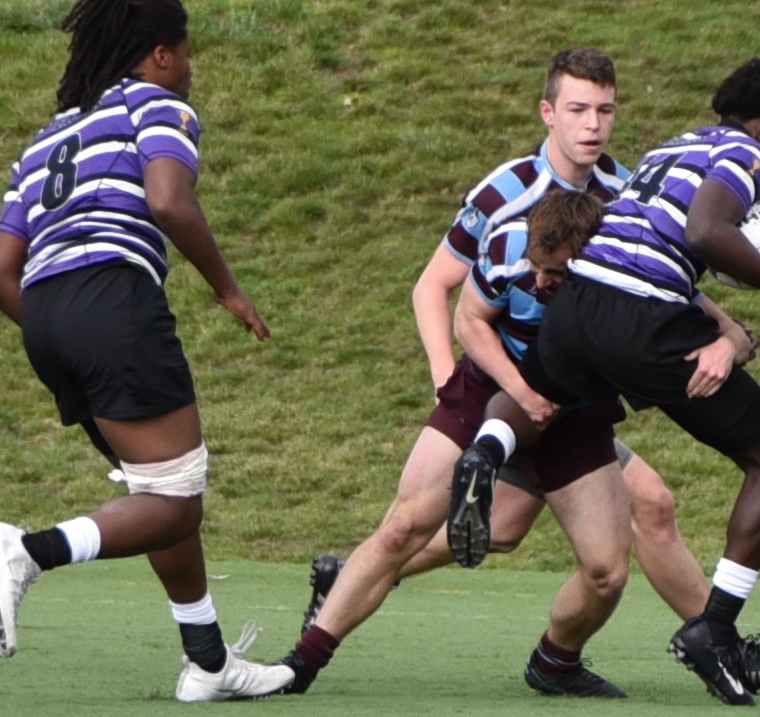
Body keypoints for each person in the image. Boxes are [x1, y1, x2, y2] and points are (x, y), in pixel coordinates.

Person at [300, 45, 719, 645]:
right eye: (578, 109)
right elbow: (433, 287)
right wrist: (447, 376)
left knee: (503, 528)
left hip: (565, 402)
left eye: (605, 110)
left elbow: (659, 284)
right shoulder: (505, 192)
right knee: (647, 503)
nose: (593, 125)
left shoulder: (623, 194)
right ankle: (721, 641)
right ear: (547, 112)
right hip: (506, 393)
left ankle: (346, 580)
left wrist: (723, 332)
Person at [450, 57, 760, 706]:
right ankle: (716, 628)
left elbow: (645, 229)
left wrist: (722, 325)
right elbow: (707, 229)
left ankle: (486, 448)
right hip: (643, 317)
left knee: (545, 395)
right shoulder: (747, 153)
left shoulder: (674, 145)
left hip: (581, 298)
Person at [0, 0, 292, 702]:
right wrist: (230, 291)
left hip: (45, 316)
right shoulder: (156, 104)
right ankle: (27, 550)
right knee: (177, 505)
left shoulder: (46, 137)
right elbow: (170, 200)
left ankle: (207, 659)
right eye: (186, 52)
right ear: (158, 55)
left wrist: (62, 327)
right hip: (111, 302)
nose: (189, 68)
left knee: (157, 491)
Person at [282, 190, 634, 698]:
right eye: (536, 267)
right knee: (401, 528)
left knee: (606, 572)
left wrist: (727, 336)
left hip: (575, 417)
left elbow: (684, 306)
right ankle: (302, 662)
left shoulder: (627, 268)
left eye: (554, 273)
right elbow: (469, 320)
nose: (539, 282)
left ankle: (555, 662)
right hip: (487, 389)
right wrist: (521, 394)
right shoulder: (508, 244)